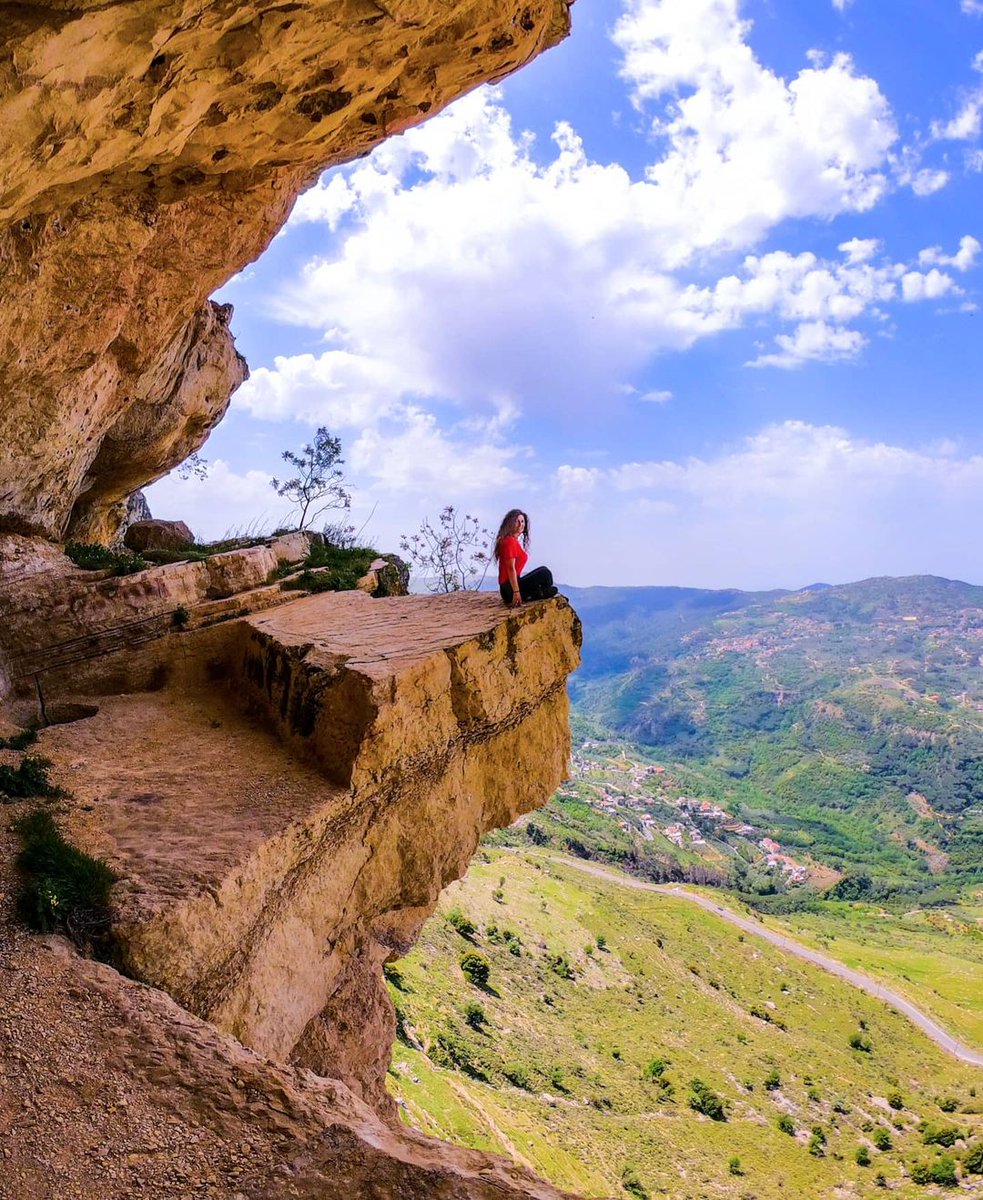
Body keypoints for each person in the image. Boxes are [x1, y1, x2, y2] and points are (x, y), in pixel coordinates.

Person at [494, 508, 558, 607]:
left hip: (511, 586)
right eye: (517, 521)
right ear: (510, 523)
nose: (521, 524)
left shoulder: (511, 540)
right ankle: (538, 593)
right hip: (509, 590)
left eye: (522, 521)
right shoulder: (509, 542)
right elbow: (511, 569)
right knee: (544, 574)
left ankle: (539, 593)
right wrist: (516, 592)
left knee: (544, 570)